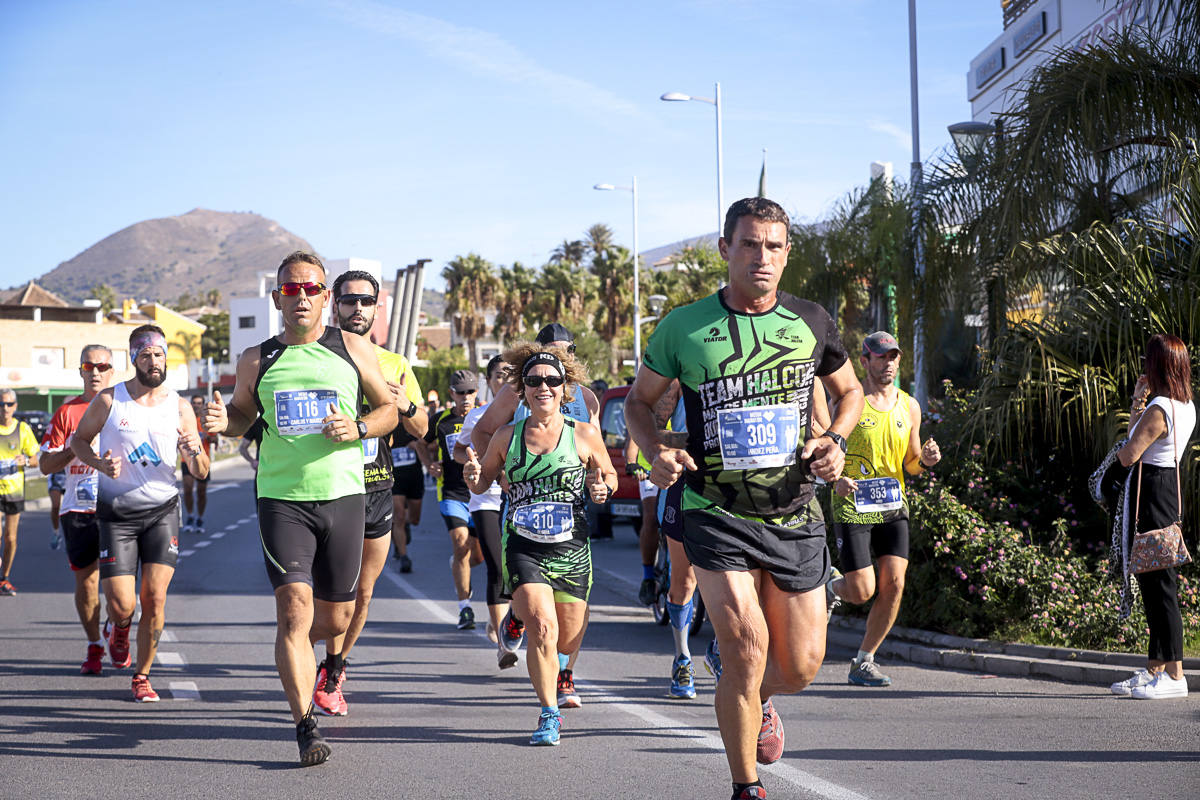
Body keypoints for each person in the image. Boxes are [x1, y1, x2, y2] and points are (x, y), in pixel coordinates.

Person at [625, 197, 864, 800]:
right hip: (716, 509)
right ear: (726, 249)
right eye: (750, 243)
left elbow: (851, 391)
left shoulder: (811, 320)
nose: (762, 256)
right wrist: (656, 448)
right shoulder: (683, 325)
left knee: (802, 667)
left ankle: (757, 694)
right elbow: (636, 402)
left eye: (774, 245)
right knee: (747, 647)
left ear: (787, 253)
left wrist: (835, 440)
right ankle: (746, 786)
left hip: (795, 511)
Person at [199, 251, 397, 765]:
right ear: (277, 298)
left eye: (311, 289)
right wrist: (226, 422)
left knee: (334, 620)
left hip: (345, 496)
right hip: (282, 501)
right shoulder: (256, 358)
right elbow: (244, 415)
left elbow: (389, 411)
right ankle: (305, 724)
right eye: (291, 289)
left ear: (325, 297)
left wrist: (358, 427)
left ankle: (307, 656)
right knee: (293, 611)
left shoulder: (353, 348)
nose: (302, 297)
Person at [463, 342, 617, 745]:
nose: (543, 387)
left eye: (551, 380)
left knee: (567, 638)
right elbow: (482, 483)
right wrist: (472, 475)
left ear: (565, 388)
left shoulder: (583, 434)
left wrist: (602, 487)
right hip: (524, 545)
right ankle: (549, 713)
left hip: (572, 549)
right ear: (524, 389)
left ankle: (516, 616)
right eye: (534, 381)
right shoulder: (506, 436)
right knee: (544, 631)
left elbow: (609, 475)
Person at [69, 325, 209, 702]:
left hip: (163, 512)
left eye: (159, 354)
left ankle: (142, 675)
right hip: (116, 514)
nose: (153, 361)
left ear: (166, 357)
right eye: (145, 355)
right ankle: (118, 628)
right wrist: (99, 463)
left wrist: (194, 450)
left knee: (155, 598)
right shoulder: (110, 401)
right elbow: (78, 441)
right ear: (133, 358)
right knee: (122, 604)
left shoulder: (180, 407)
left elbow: (201, 471)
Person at [312, 269, 427, 717]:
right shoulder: (313, 355)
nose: (356, 309)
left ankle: (333, 670)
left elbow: (420, 430)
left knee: (363, 592)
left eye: (365, 301)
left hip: (375, 486)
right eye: (348, 301)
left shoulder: (394, 363)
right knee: (322, 593)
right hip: (323, 488)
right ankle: (307, 660)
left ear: (377, 308)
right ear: (332, 304)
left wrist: (403, 404)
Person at [827, 332, 940, 687]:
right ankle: (831, 587)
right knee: (862, 590)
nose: (888, 363)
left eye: (893, 357)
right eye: (880, 357)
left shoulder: (909, 406)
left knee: (894, 584)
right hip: (852, 504)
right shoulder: (849, 402)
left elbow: (910, 464)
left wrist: (926, 461)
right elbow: (825, 449)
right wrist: (835, 480)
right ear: (864, 361)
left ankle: (864, 660)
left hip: (892, 505)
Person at [1107, 334, 1195, 700]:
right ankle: (1154, 670)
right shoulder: (1186, 405)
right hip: (1165, 490)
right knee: (1154, 586)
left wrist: (1141, 404)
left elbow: (1129, 453)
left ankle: (1175, 675)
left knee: (1160, 589)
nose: (1144, 364)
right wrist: (1136, 402)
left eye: (1148, 360)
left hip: (1152, 492)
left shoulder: (1160, 408)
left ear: (1158, 365)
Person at [38, 345, 115, 672]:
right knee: (86, 583)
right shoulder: (67, 412)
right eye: (88, 366)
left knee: (119, 585)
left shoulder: (123, 407)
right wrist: (75, 449)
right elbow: (44, 465)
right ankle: (95, 644)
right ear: (80, 371)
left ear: (112, 369)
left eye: (102, 365)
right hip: (78, 509)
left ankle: (118, 628)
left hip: (117, 507)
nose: (95, 372)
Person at [454, 355, 522, 667]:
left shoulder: (524, 415)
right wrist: (473, 463)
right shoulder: (478, 417)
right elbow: (459, 449)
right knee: (496, 564)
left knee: (513, 567)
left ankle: (501, 623)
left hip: (517, 497)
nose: (504, 380)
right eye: (498, 375)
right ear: (488, 380)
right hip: (486, 498)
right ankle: (503, 647)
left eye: (510, 375)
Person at [421, 370, 483, 629]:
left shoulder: (485, 416)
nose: (465, 397)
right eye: (461, 392)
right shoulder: (440, 421)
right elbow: (420, 443)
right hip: (451, 493)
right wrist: (429, 465)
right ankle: (464, 608)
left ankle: (460, 565)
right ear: (452, 394)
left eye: (470, 392)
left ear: (476, 393)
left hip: (481, 494)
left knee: (477, 556)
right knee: (460, 544)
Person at [0, 388, 40, 595]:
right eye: (1, 404)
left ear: (15, 406)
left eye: (8, 404)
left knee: (10, 538)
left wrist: (26, 460)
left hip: (15, 491)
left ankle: (4, 578)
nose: (4, 408)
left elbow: (35, 459)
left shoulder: (22, 429)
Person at [182, 394, 219, 533]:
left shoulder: (205, 421)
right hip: (187, 459)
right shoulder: (185, 419)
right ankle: (190, 515)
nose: (196, 405)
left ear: (203, 405)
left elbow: (214, 438)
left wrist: (210, 439)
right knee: (187, 488)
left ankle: (200, 518)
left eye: (199, 403)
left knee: (201, 492)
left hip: (203, 460)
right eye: (194, 403)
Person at [390, 431, 424, 573]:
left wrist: (418, 445)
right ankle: (404, 557)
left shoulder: (415, 423)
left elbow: (433, 444)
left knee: (414, 519)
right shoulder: (388, 423)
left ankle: (405, 527)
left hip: (414, 477)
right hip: (394, 477)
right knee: (399, 517)